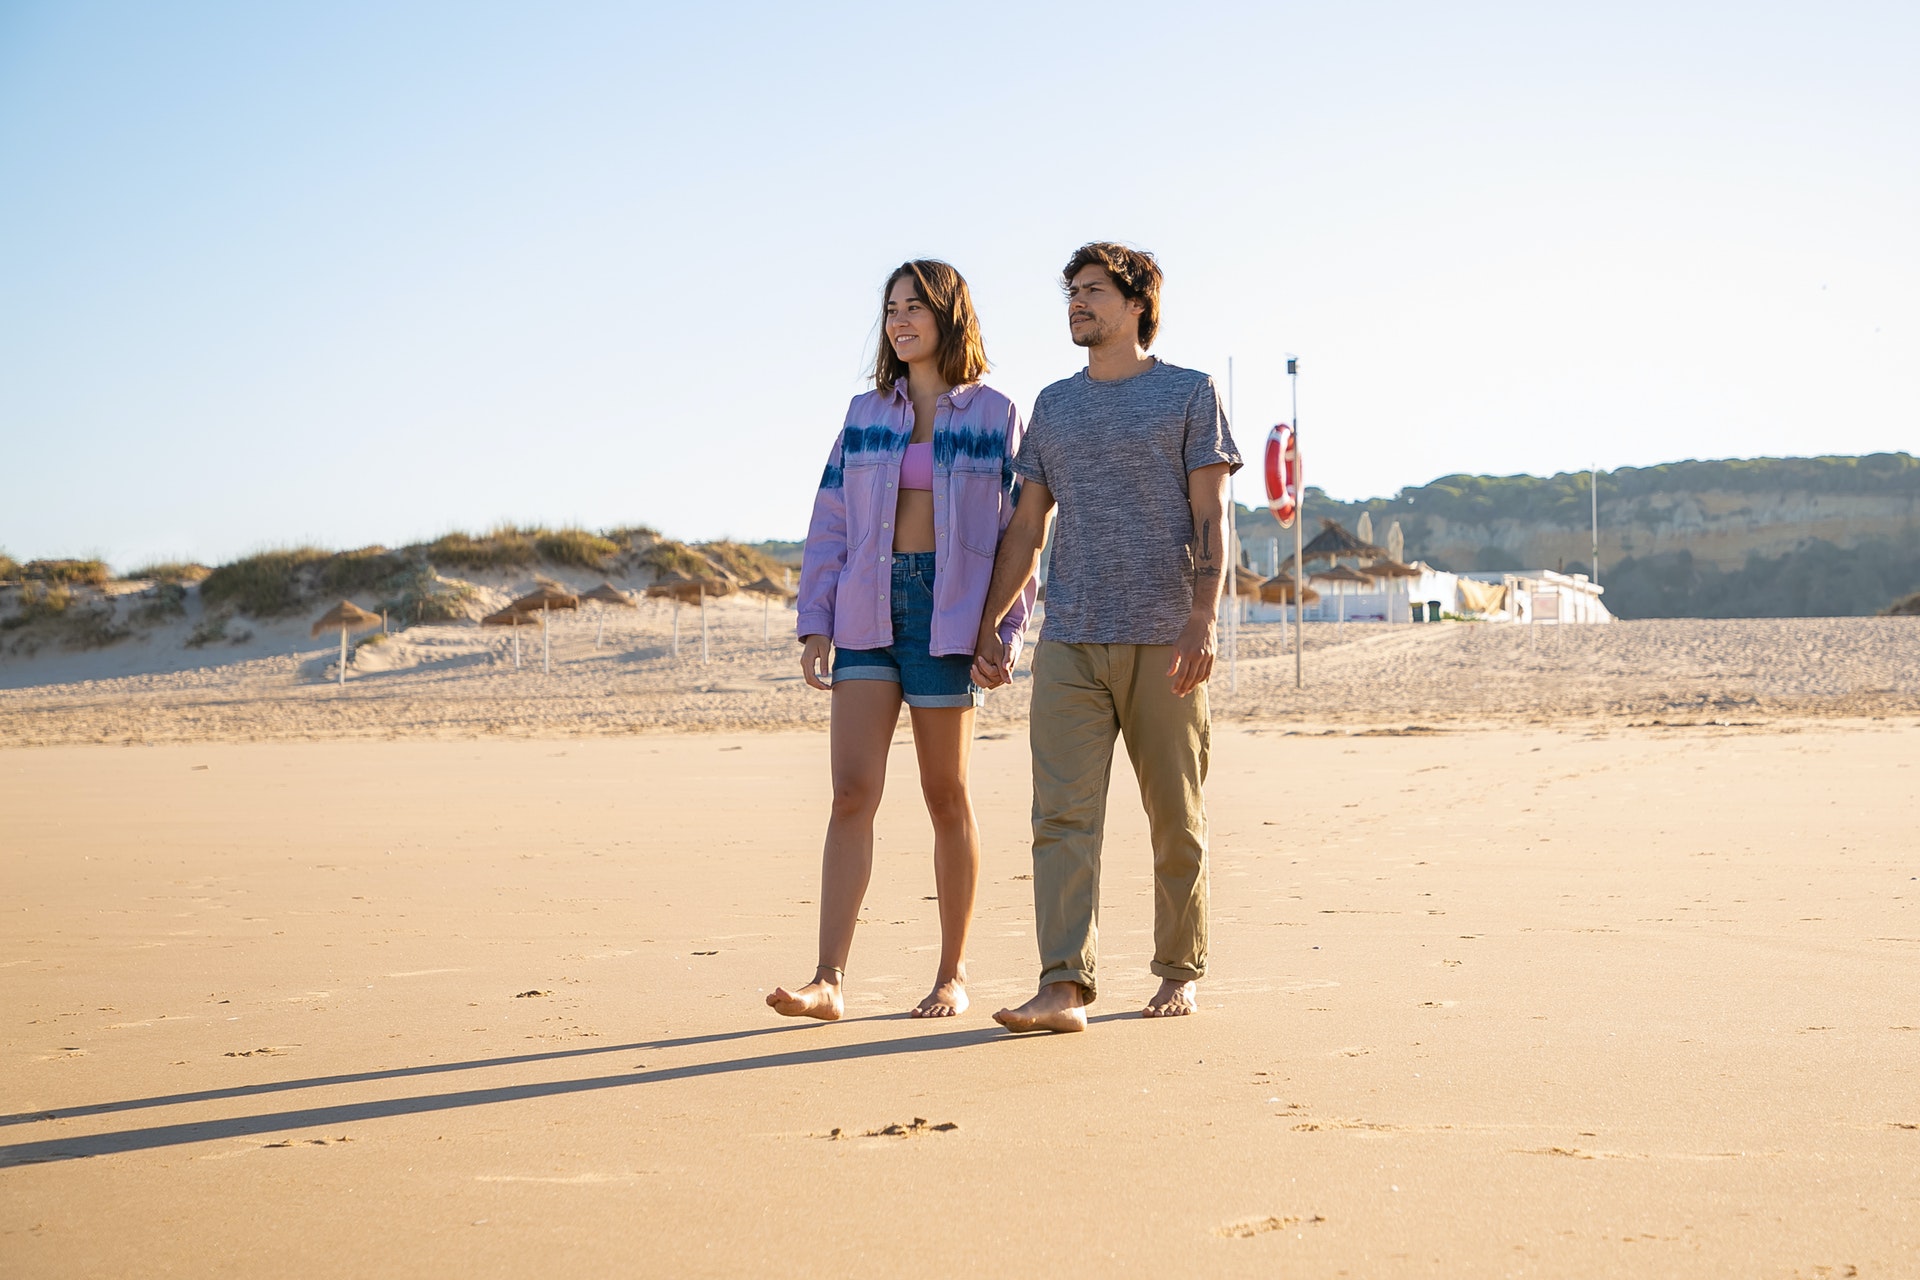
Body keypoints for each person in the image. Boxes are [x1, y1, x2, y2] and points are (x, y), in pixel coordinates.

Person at [971, 242, 1240, 1033]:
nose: (1077, 304)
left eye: (1093, 291)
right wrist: (992, 618)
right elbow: (1026, 526)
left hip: (1165, 636)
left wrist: (1203, 615)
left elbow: (1211, 515)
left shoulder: (1189, 394)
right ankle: (1063, 987)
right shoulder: (1054, 405)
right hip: (1073, 636)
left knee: (1174, 815)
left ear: (1136, 305)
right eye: (1072, 293)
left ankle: (1179, 970)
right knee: (1059, 817)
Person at [768, 260, 1034, 1022]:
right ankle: (828, 979)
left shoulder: (995, 413)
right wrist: (815, 620)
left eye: (915, 306)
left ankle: (951, 975)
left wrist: (1004, 630)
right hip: (864, 610)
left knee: (945, 795)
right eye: (891, 309)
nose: (900, 321)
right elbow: (832, 522)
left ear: (950, 314)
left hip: (948, 616)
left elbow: (1023, 532)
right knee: (851, 792)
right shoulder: (863, 414)